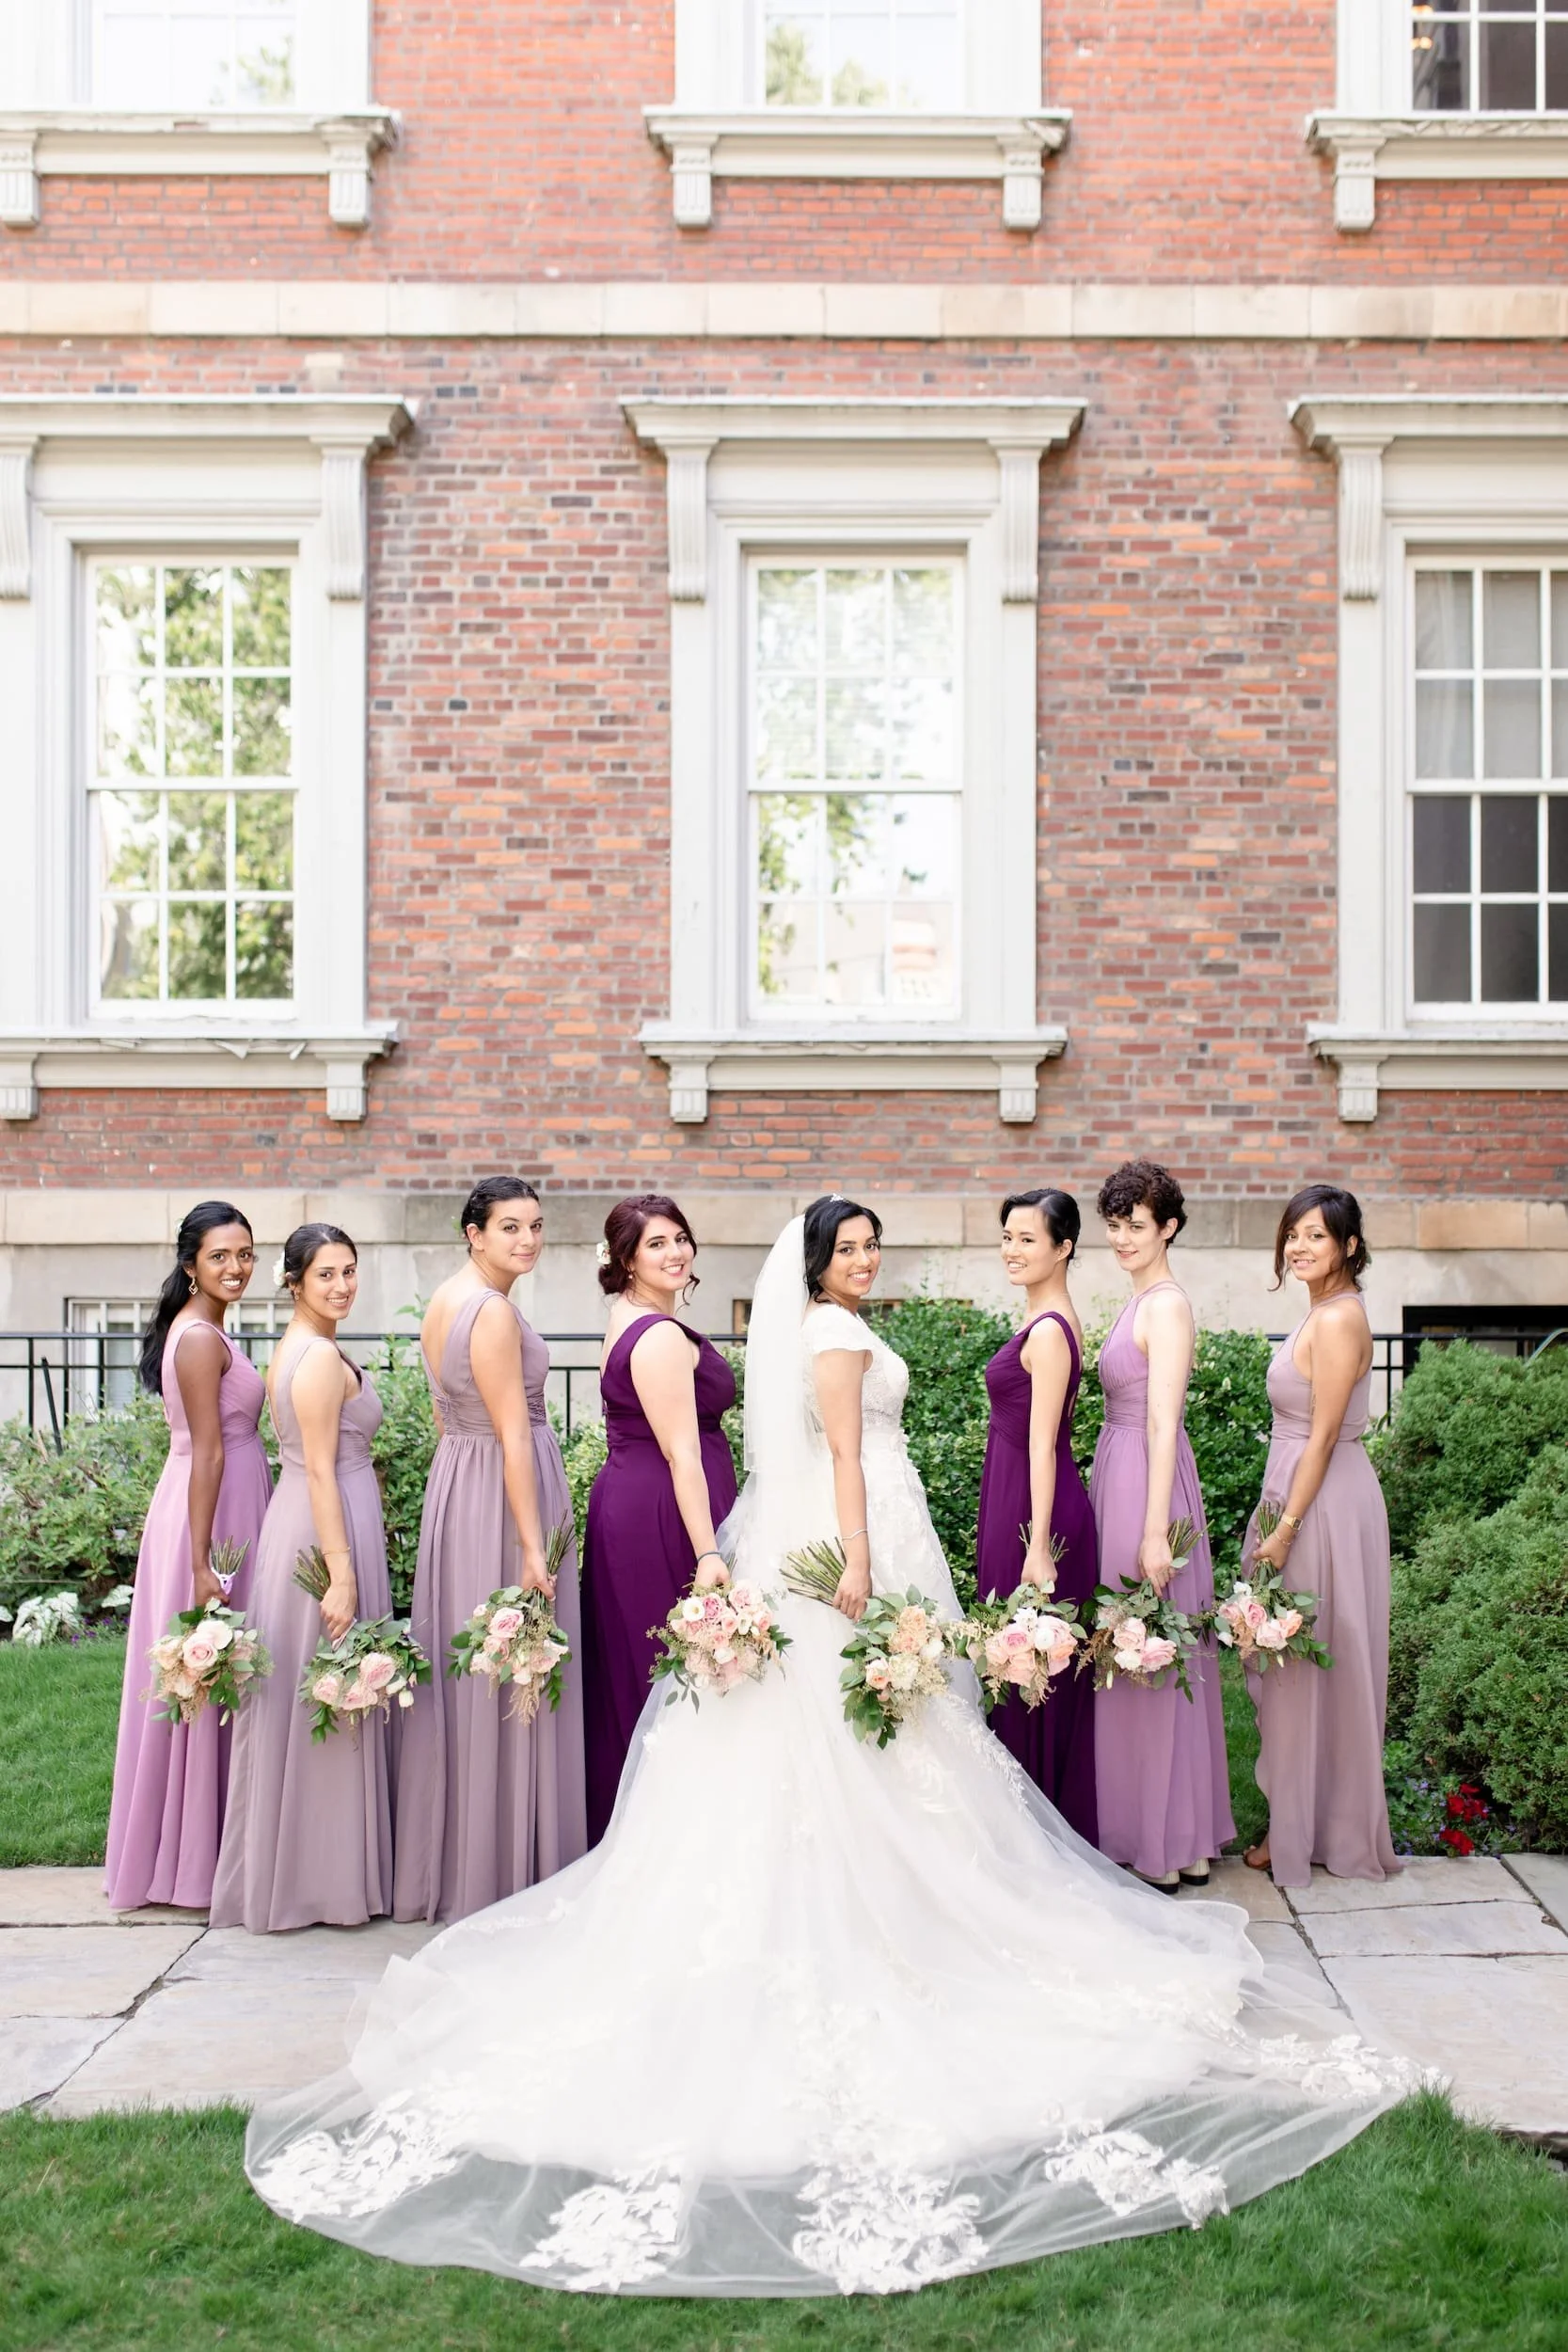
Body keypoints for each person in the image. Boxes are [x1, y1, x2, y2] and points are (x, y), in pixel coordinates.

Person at [245, 1199, 1416, 2297]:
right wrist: (857, 1561)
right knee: (865, 1728)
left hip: (859, 1525)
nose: (864, 1261)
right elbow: (848, 1454)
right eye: (849, 1247)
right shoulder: (833, 1331)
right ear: (815, 1263)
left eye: (870, 1246)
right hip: (855, 1536)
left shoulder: (825, 1323)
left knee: (895, 1733)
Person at [394, 1179, 587, 1922]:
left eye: (536, 1226)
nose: (527, 1240)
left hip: (460, 1484)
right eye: (509, 1228)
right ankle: (511, 1863)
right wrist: (531, 1546)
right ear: (473, 1232)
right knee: (514, 1665)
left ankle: (464, 1856)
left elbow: (450, 1418)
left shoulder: (445, 1299)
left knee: (471, 1674)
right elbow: (511, 1431)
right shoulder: (495, 1312)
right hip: (506, 1491)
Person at [211, 1225, 393, 1932]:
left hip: (321, 1520)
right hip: (323, 1532)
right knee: (329, 1691)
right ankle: (320, 1883)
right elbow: (320, 1468)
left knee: (321, 1691)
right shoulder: (316, 1358)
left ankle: (317, 1871)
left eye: (349, 1271)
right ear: (295, 1282)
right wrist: (339, 1575)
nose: (342, 1285)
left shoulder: (307, 1345)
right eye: (326, 1275)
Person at [104, 1201, 273, 1912]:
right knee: (212, 1673)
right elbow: (207, 1449)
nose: (235, 1267)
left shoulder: (205, 1329)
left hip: (215, 1501)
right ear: (190, 1265)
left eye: (245, 1254)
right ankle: (196, 1863)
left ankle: (201, 1852)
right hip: (212, 1512)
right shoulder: (201, 1339)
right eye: (220, 1257)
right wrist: (204, 1561)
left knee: (215, 1676)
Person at [1243, 1185, 1401, 1889]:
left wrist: (1284, 1528)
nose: (1299, 1247)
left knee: (1307, 1664)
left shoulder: (1338, 1321)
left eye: (1315, 1236)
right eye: (1292, 1235)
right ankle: (1297, 1820)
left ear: (1349, 1247)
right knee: (1295, 1665)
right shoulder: (1319, 1314)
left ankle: (1307, 1830)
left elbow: (1326, 1434)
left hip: (1323, 1507)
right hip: (1304, 1496)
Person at [1089, 1162, 1234, 1891]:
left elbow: (1161, 1418)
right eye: (1113, 1225)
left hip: (1147, 1483)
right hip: (1119, 1471)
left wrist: (1153, 1531)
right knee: (1129, 1651)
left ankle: (1171, 1838)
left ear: (1168, 1227)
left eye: (1135, 1226)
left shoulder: (1166, 1305)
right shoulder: (1136, 1296)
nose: (1121, 1238)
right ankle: (1154, 1829)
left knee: (1147, 1646)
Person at [578, 1194, 736, 1844]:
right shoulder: (660, 1336)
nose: (674, 1253)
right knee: (680, 1674)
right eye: (656, 1244)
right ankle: (670, 1838)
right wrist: (707, 1553)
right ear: (626, 1259)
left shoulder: (626, 1315)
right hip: (664, 1513)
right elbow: (681, 1452)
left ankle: (640, 1833)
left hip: (632, 1499)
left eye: (680, 1238)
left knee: (646, 1671)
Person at [974, 1187, 1098, 1842]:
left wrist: (1038, 1543)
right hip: (1016, 1500)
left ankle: (1037, 1840)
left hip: (1033, 1513)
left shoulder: (1049, 1331)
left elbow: (1046, 1442)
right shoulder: (1045, 1318)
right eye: (1007, 1237)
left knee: (1027, 1674)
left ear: (1063, 1247)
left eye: (1027, 1239)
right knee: (1016, 1670)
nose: (1012, 1250)